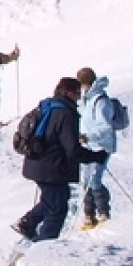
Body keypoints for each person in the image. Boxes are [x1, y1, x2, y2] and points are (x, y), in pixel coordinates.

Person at [12, 77, 107, 241]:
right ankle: (45, 246)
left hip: (36, 163)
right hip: (52, 168)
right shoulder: (65, 113)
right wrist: (95, 156)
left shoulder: (47, 106)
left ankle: (27, 223)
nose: (79, 98)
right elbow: (72, 149)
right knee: (58, 208)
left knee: (54, 200)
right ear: (69, 93)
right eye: (78, 94)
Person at [74, 67, 119, 227]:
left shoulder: (101, 100)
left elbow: (105, 127)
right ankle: (89, 214)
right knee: (86, 181)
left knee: (95, 181)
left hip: (101, 146)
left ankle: (103, 212)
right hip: (87, 146)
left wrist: (88, 136)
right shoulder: (86, 98)